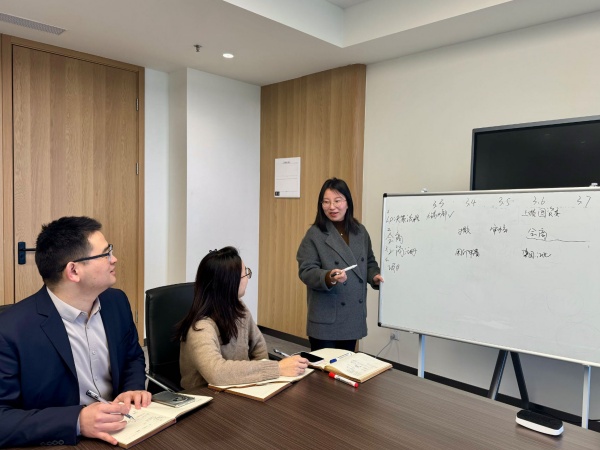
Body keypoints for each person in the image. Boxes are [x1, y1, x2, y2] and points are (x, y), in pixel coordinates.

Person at [0, 216, 151, 448]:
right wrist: (77, 421)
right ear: (73, 270)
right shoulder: (11, 329)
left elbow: (132, 356)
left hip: (122, 429)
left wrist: (133, 388)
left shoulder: (116, 302)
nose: (114, 259)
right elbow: (3, 418)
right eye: (106, 253)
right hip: (62, 441)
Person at [177, 247, 308, 389]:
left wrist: (265, 383)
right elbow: (216, 373)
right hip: (206, 395)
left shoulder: (239, 308)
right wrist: (277, 368)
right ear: (230, 283)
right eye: (245, 274)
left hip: (240, 387)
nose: (247, 278)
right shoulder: (201, 328)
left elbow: (258, 347)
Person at [297, 178, 383, 352]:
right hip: (326, 318)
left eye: (337, 201)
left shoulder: (360, 232)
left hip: (352, 316)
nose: (332, 207)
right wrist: (329, 277)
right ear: (321, 205)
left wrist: (374, 275)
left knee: (347, 365)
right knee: (324, 367)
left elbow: (369, 261)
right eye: (326, 202)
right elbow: (306, 270)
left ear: (347, 202)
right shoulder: (314, 234)